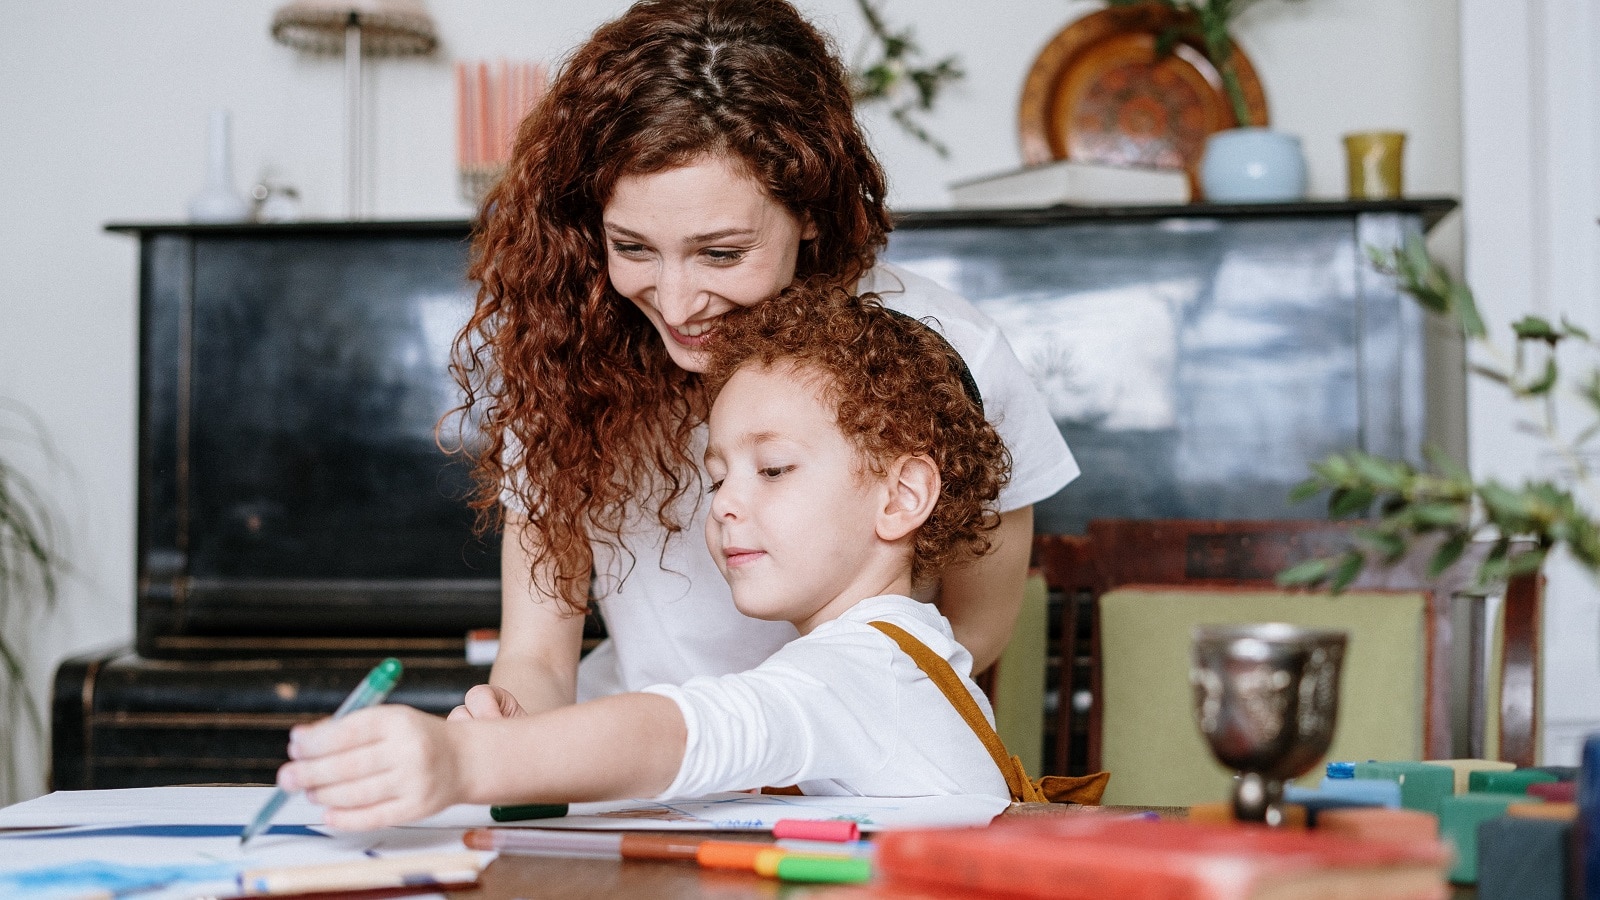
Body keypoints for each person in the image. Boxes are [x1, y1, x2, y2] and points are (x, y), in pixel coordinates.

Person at [450, 0, 1077, 722]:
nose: (679, 304)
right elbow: (535, 658)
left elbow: (974, 630)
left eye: (721, 253)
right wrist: (505, 722)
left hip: (846, 748)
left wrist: (791, 737)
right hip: (635, 764)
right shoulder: (567, 355)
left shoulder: (953, 354)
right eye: (632, 248)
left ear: (810, 209)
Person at [279, 286, 1017, 829]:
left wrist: (466, 761)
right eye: (717, 474)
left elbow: (685, 731)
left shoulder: (864, 670)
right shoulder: (894, 655)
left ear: (901, 496)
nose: (724, 503)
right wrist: (528, 746)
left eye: (774, 470)